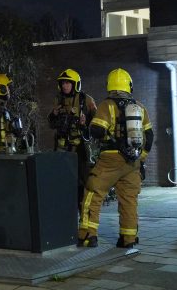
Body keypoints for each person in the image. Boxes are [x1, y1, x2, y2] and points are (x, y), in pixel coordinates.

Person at [77, 68, 154, 249]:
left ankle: (87, 236)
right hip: (132, 162)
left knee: (92, 194)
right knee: (129, 200)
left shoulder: (107, 105)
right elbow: (149, 136)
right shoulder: (140, 107)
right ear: (129, 86)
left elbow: (97, 130)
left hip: (110, 160)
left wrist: (89, 127)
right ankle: (128, 239)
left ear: (109, 85)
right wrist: (140, 160)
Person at [48, 68, 97, 211]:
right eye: (63, 83)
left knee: (84, 180)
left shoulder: (86, 100)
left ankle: (85, 210)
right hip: (62, 148)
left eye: (68, 83)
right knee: (63, 180)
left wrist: (85, 123)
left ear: (75, 84)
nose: (65, 86)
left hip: (80, 148)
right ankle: (66, 210)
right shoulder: (58, 100)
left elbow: (98, 122)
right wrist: (54, 114)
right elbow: (52, 124)